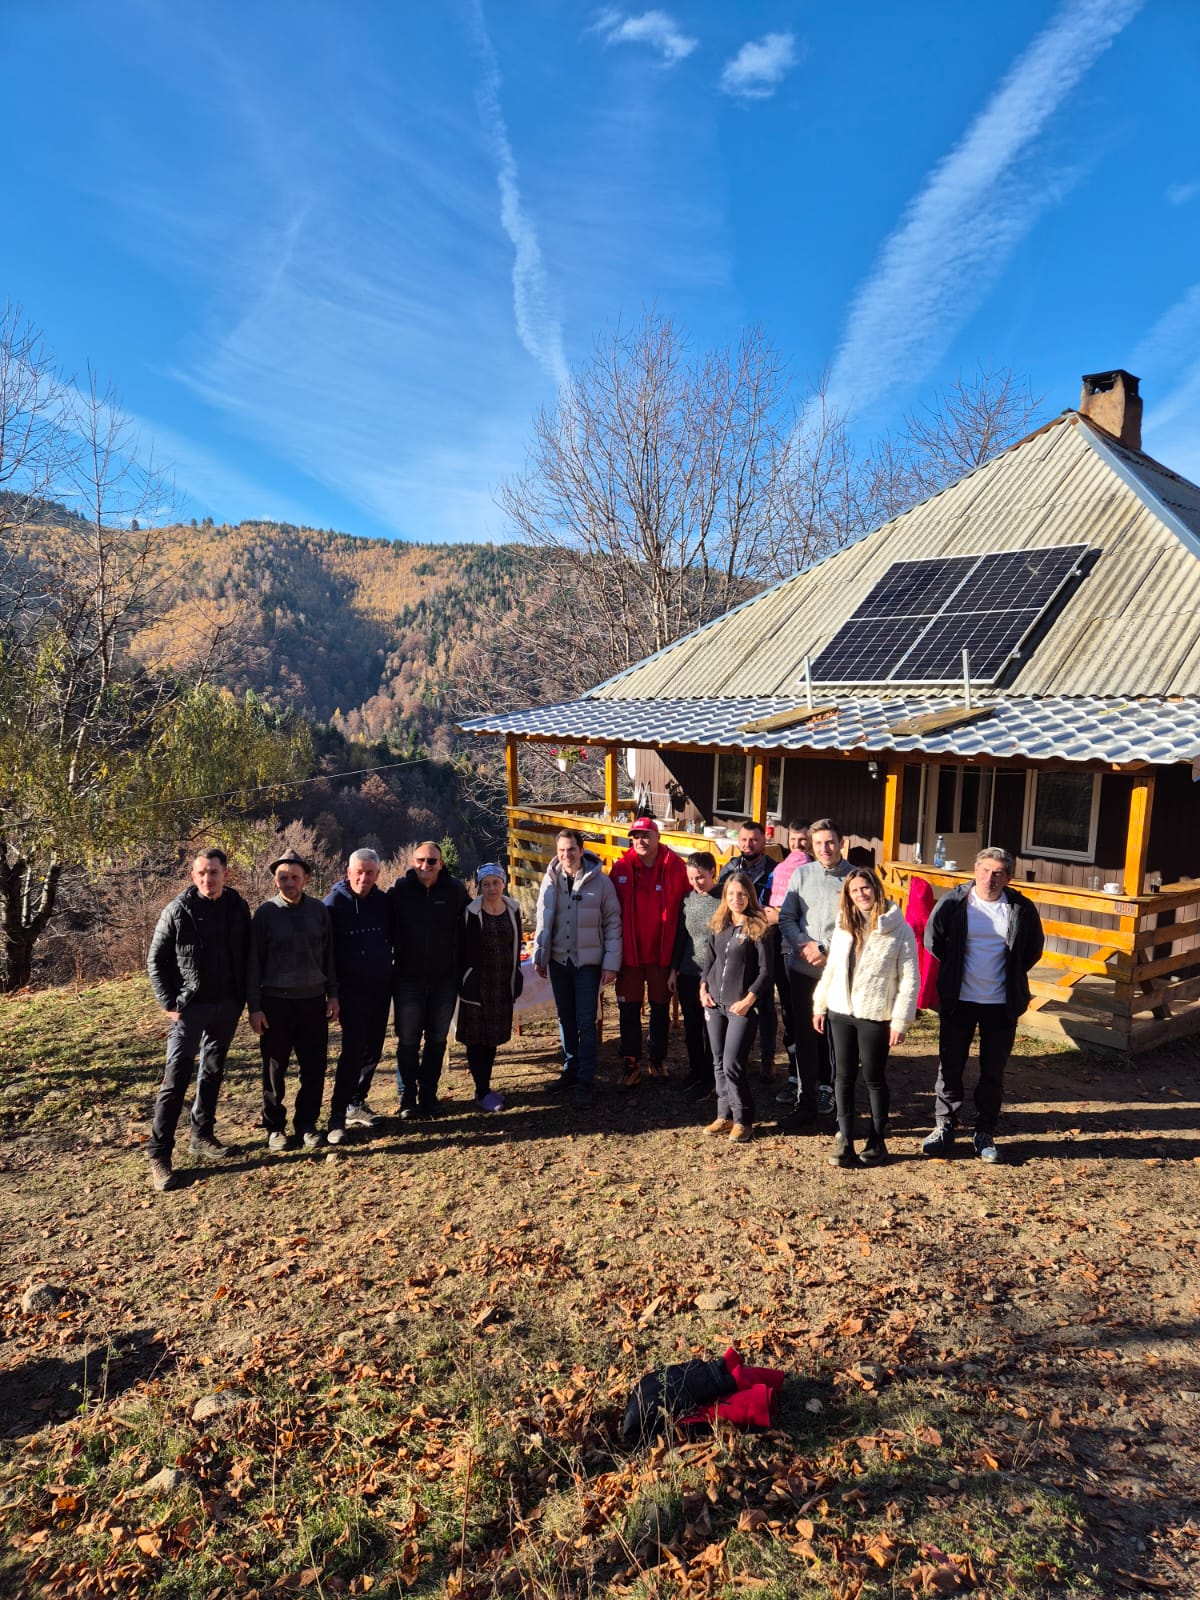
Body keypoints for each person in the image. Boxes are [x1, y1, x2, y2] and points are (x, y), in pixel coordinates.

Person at [922, 847, 1045, 1163]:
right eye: (985, 870)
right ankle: (944, 1125)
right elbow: (933, 939)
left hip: (1000, 1003)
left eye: (998, 873)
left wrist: (1011, 974)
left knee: (993, 1071)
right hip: (959, 999)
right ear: (975, 870)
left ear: (1008, 878)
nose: (990, 878)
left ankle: (984, 1131)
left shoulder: (1021, 908)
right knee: (950, 1066)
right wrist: (953, 971)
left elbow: (1032, 949)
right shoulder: (954, 903)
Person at [145, 848, 252, 1192]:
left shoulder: (237, 906)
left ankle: (202, 1136)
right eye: (201, 873)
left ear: (226, 874)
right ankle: (159, 1154)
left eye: (214, 872)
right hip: (190, 1007)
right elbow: (155, 960)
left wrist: (245, 998)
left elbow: (247, 954)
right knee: (175, 1077)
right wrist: (169, 1003)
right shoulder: (178, 910)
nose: (208, 879)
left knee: (212, 1071)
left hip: (227, 1005)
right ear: (193, 876)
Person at [812, 869, 919, 1168]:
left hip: (875, 1014)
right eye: (854, 890)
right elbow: (832, 969)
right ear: (848, 896)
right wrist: (820, 1004)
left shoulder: (898, 929)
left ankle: (877, 1140)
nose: (861, 894)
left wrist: (900, 1020)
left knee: (874, 1077)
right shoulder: (844, 926)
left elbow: (910, 979)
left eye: (865, 888)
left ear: (876, 889)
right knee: (843, 1076)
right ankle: (845, 1138)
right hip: (840, 1012)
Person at [247, 849, 339, 1151]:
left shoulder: (318, 911)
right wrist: (255, 1008)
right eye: (283, 878)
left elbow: (329, 957)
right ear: (275, 881)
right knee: (275, 1069)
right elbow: (253, 964)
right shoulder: (265, 914)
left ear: (305, 879)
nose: (289, 883)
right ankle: (275, 1127)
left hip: (313, 1001)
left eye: (294, 877)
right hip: (275, 1003)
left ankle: (307, 1124)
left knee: (313, 1067)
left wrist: (333, 995)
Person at [533, 829, 622, 1109]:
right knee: (565, 1019)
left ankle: (586, 1080)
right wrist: (540, 954)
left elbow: (612, 923)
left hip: (587, 963)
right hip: (559, 961)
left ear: (581, 850)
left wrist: (611, 963)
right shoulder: (550, 879)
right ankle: (570, 1070)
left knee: (586, 1021)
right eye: (561, 850)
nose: (566, 855)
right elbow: (542, 918)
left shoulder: (601, 882)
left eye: (571, 849)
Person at [777, 819, 854, 1131]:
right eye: (819, 843)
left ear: (841, 842)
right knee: (804, 1035)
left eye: (830, 842)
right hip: (802, 968)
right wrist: (805, 945)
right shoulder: (802, 874)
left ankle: (833, 1099)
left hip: (837, 973)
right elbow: (787, 917)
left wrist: (826, 949)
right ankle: (805, 1101)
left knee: (835, 1040)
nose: (825, 848)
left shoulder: (854, 878)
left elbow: (858, 925)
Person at [388, 840, 469, 1118]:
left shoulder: (455, 890)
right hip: (407, 979)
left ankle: (429, 1095)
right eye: (421, 860)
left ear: (441, 864)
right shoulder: (400, 891)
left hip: (444, 980)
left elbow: (470, 925)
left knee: (437, 1041)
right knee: (408, 1041)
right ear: (413, 863)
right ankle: (407, 1097)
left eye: (432, 861)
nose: (426, 865)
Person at [608, 817, 689, 1088]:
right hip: (629, 956)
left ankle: (657, 1059)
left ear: (658, 838)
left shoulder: (675, 866)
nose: (640, 841)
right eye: (635, 836)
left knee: (659, 1010)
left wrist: (679, 958)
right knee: (628, 1010)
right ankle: (631, 1064)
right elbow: (608, 910)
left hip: (661, 955)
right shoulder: (621, 867)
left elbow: (688, 903)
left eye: (646, 835)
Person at [323, 847, 392, 1144]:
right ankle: (337, 1115)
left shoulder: (383, 902)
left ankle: (356, 1103)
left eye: (370, 873)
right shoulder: (332, 904)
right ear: (348, 872)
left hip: (380, 988)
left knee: (373, 1049)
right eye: (359, 872)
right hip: (349, 991)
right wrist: (332, 993)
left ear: (378, 874)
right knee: (352, 1051)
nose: (364, 878)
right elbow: (325, 953)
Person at [700, 872, 774, 1143]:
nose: (736, 899)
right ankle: (724, 1115)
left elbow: (766, 972)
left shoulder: (758, 928)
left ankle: (743, 1119)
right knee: (718, 1061)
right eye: (731, 894)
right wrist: (702, 988)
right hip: (714, 1004)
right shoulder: (719, 924)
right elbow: (709, 961)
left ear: (749, 896)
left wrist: (748, 1000)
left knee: (733, 1063)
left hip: (741, 1007)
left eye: (741, 894)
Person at [457, 862, 522, 1111]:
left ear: (503, 883)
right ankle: (481, 1090)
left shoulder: (513, 909)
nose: (491, 888)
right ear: (479, 887)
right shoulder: (471, 913)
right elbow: (461, 948)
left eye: (496, 882)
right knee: (476, 1039)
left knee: (492, 1038)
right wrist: (464, 978)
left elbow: (515, 945)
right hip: (477, 985)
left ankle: (485, 1087)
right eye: (486, 884)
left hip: (501, 985)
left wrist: (516, 975)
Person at [718, 822, 779, 1082]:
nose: (748, 845)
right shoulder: (730, 867)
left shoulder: (774, 870)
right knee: (737, 996)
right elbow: (721, 899)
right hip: (736, 940)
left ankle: (767, 1057)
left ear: (763, 842)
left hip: (763, 938)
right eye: (744, 840)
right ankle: (737, 1055)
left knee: (764, 1001)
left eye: (754, 840)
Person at [668, 851, 721, 1100]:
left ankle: (711, 1076)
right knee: (691, 1025)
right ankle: (695, 1070)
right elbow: (681, 936)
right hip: (689, 971)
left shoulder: (724, 899)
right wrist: (673, 969)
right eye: (691, 878)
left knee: (712, 1027)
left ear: (712, 872)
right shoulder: (687, 900)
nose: (696, 883)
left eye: (700, 877)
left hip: (715, 974)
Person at [767, 822, 812, 1085]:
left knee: (805, 1010)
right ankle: (795, 1073)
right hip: (780, 945)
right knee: (788, 1008)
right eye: (793, 839)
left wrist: (779, 915)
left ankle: (810, 1073)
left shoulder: (812, 871)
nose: (797, 845)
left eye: (803, 839)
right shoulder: (780, 869)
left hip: (804, 948)